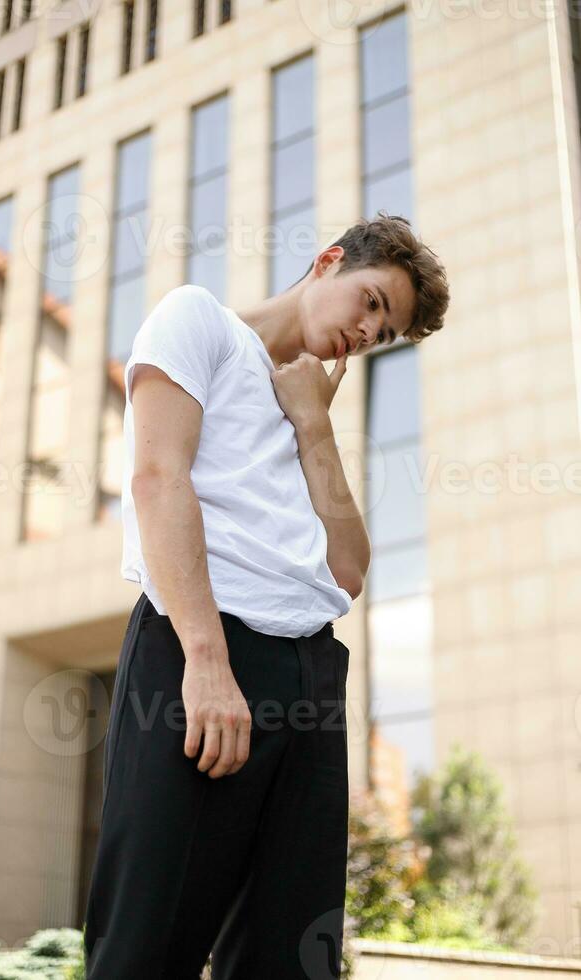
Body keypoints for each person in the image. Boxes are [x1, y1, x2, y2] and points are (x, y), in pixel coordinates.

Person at [83, 212, 450, 979]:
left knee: (291, 951)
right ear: (328, 262)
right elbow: (157, 480)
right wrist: (207, 663)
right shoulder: (199, 321)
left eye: (386, 334)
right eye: (373, 302)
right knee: (149, 939)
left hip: (312, 674)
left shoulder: (306, 408)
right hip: (202, 650)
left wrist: (314, 423)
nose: (370, 331)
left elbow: (347, 570)